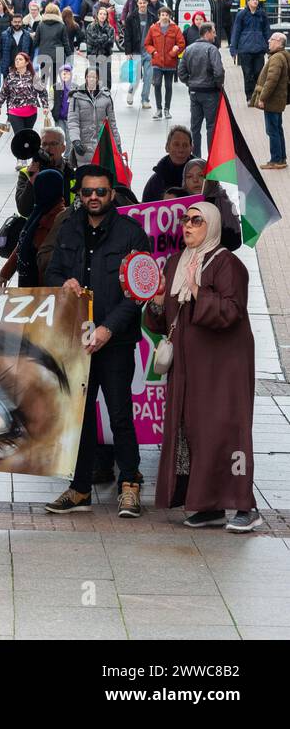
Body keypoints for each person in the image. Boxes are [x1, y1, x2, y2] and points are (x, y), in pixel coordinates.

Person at [143, 202, 260, 532]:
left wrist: (196, 291)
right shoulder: (176, 262)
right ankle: (207, 506)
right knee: (192, 432)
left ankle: (244, 505)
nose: (188, 225)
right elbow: (161, 319)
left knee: (226, 432)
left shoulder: (228, 264)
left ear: (211, 226)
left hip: (223, 368)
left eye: (197, 220)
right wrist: (156, 301)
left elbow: (232, 312)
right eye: (185, 219)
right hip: (187, 367)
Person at [45, 165, 152, 518]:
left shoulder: (131, 234)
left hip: (115, 342)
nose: (93, 197)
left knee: (121, 414)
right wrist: (64, 283)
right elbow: (53, 270)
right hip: (77, 341)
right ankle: (79, 489)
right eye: (87, 192)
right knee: (80, 415)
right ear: (80, 194)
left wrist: (108, 329)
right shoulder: (69, 227)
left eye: (101, 192)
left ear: (112, 195)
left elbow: (139, 292)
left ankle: (130, 486)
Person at [0, 168, 66, 288]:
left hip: (44, 287)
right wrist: (6, 272)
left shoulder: (60, 218)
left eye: (38, 188)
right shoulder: (38, 212)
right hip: (28, 280)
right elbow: (22, 243)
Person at [178, 21, 226, 161]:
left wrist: (190, 83)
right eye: (214, 32)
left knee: (195, 126)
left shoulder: (189, 49)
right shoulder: (212, 49)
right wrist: (217, 85)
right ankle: (212, 156)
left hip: (194, 92)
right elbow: (218, 71)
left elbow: (181, 72)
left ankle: (195, 157)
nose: (216, 35)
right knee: (211, 125)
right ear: (207, 33)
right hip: (210, 92)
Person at [16, 127, 76, 215]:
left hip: (65, 225)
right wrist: (32, 179)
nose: (48, 148)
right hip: (36, 227)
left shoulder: (71, 172)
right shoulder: (26, 173)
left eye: (53, 144)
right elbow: (24, 211)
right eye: (44, 144)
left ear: (63, 148)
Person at [253, 30, 290, 170]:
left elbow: (271, 80)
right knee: (277, 129)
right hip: (278, 100)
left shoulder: (276, 58)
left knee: (272, 130)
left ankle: (276, 160)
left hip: (272, 101)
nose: (269, 41)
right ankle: (281, 158)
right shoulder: (282, 56)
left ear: (279, 43)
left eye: (272, 39)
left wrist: (262, 98)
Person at [67, 66, 120, 163]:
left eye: (94, 77)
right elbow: (73, 121)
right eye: (89, 77)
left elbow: (112, 124)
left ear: (98, 79)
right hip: (83, 147)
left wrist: (118, 144)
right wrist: (76, 141)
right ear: (85, 78)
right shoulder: (76, 97)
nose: (91, 79)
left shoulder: (106, 97)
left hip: (102, 146)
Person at [0, 51, 48, 141]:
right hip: (14, 112)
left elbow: (42, 92)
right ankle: (20, 155)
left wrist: (45, 106)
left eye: (20, 59)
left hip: (31, 113)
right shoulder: (10, 76)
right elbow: (4, 92)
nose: (17, 61)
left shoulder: (33, 76)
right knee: (20, 138)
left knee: (28, 138)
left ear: (26, 62)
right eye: (16, 59)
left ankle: (26, 155)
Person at [144, 7, 185, 120]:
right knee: (157, 84)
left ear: (169, 16)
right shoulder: (153, 29)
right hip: (157, 62)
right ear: (159, 16)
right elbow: (147, 43)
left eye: (167, 15)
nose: (164, 17)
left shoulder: (175, 29)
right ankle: (158, 109)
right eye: (162, 14)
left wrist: (173, 52)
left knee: (168, 86)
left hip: (170, 63)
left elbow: (181, 44)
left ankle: (167, 109)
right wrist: (154, 51)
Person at [230, 0, 271, 104]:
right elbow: (236, 31)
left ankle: (257, 97)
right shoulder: (241, 15)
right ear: (248, 1)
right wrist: (233, 49)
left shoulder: (262, 15)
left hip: (259, 49)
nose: (255, 1)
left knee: (259, 73)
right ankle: (249, 97)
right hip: (245, 50)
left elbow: (267, 31)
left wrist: (269, 48)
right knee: (248, 74)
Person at [142, 126, 198, 204]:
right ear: (167, 147)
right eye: (176, 144)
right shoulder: (156, 182)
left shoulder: (204, 177)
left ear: (191, 148)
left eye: (185, 145)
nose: (181, 150)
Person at [121, 0, 157, 108]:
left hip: (149, 51)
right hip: (136, 51)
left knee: (148, 76)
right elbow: (127, 36)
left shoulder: (152, 17)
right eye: (140, 3)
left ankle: (145, 100)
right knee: (135, 77)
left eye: (144, 3)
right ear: (137, 3)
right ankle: (131, 92)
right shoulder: (131, 17)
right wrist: (128, 52)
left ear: (147, 3)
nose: (142, 5)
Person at [33, 3, 72, 92]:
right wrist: (69, 55)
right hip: (58, 54)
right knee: (54, 77)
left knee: (43, 76)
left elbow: (35, 41)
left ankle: (43, 96)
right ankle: (53, 94)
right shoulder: (61, 25)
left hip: (44, 53)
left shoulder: (41, 25)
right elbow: (65, 43)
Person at [83, 5, 117, 92]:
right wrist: (104, 38)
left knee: (106, 78)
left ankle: (106, 93)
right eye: (101, 14)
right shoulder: (90, 27)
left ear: (106, 16)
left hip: (106, 55)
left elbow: (110, 43)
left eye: (104, 14)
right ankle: (94, 93)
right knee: (94, 77)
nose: (102, 16)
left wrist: (99, 40)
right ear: (97, 15)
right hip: (94, 56)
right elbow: (91, 41)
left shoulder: (110, 28)